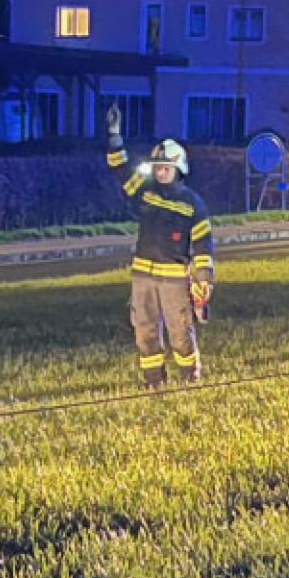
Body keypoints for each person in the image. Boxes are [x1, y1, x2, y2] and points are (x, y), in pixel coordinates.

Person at [104, 103, 214, 389]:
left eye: (165, 167)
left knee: (180, 331)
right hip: (143, 276)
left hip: (174, 278)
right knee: (145, 330)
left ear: (178, 169)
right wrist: (114, 135)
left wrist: (203, 281)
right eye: (157, 167)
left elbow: (203, 247)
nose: (160, 172)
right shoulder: (146, 192)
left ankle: (190, 378)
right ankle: (154, 381)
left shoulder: (192, 205)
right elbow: (120, 169)